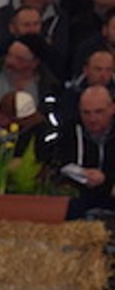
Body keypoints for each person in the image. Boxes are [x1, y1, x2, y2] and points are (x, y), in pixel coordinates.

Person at [53, 86, 115, 218]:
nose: (92, 119)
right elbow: (61, 163)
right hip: (80, 195)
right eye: (86, 113)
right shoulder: (69, 130)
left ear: (112, 109)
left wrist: (105, 180)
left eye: (99, 112)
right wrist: (83, 174)